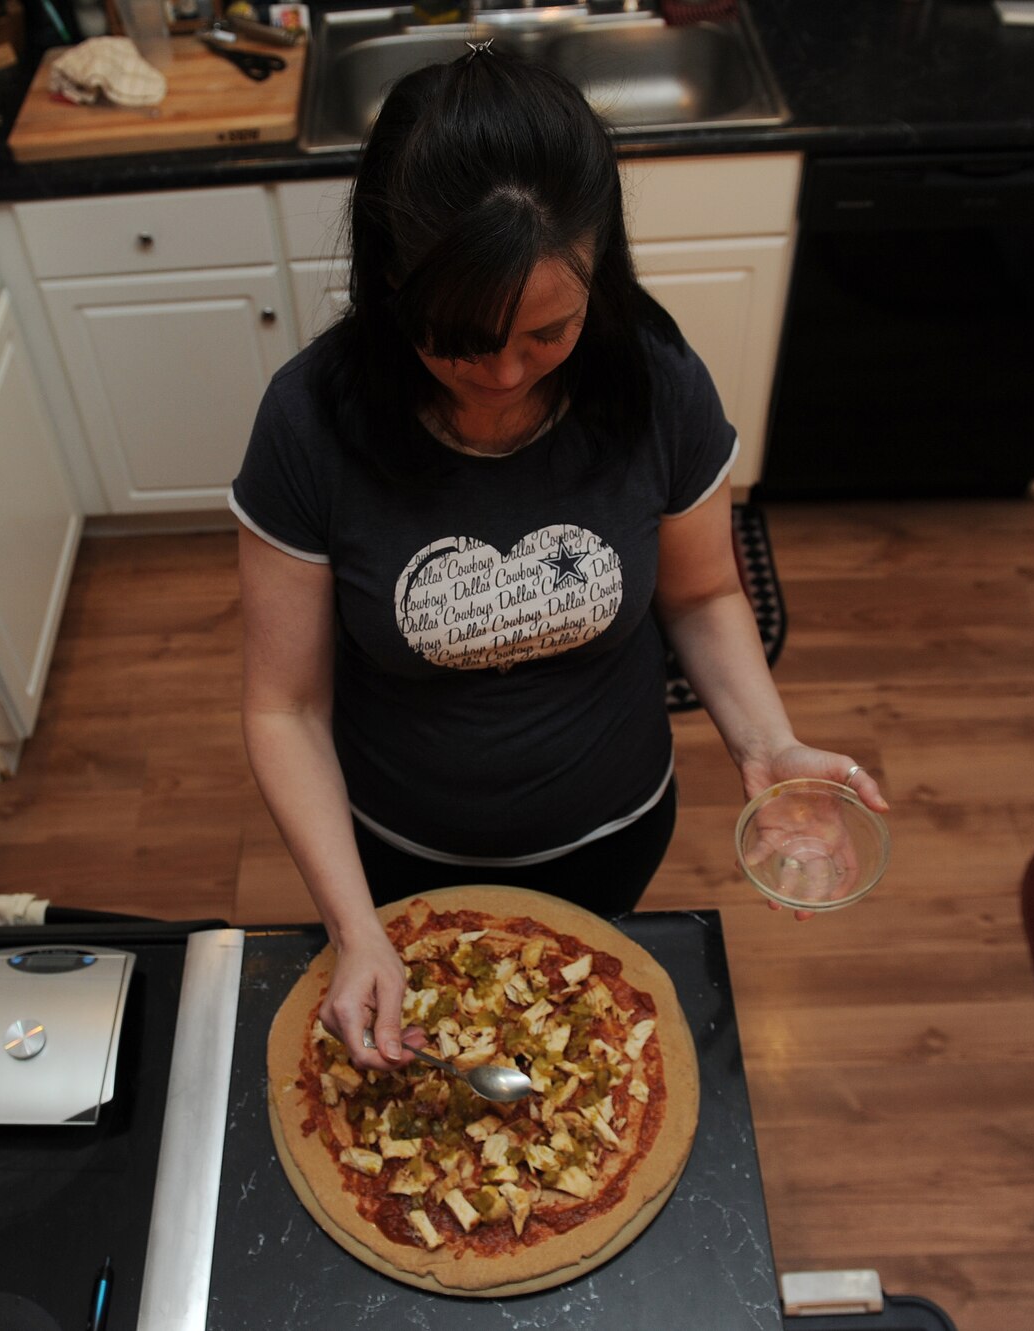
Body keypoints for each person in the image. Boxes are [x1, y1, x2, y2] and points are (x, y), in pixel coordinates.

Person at [230, 48, 888, 1074]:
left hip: (614, 826)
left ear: (599, 268)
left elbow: (706, 589)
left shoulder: (654, 381)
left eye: (547, 332)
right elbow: (285, 707)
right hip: (395, 852)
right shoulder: (309, 420)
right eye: (455, 338)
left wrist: (764, 743)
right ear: (389, 277)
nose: (499, 375)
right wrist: (354, 927)